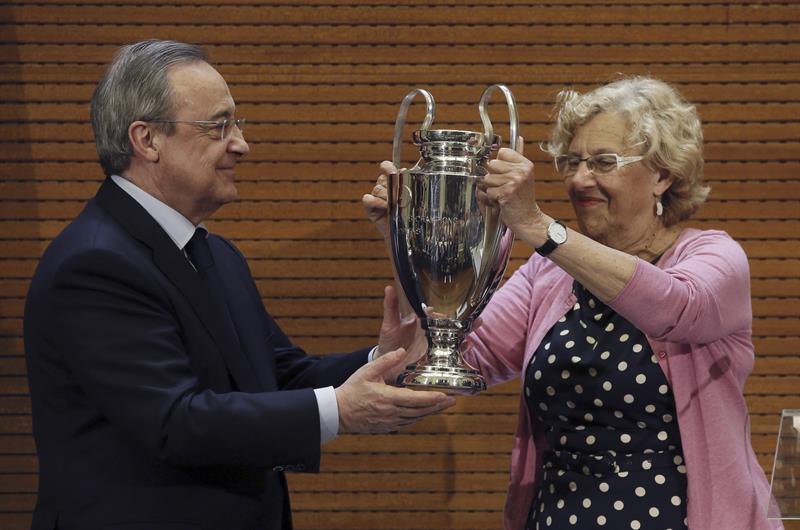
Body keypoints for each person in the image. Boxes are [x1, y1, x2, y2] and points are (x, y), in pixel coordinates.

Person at [23, 39, 454, 530]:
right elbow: (174, 421)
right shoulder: (95, 263)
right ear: (146, 140)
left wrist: (383, 359)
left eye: (237, 123)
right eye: (217, 126)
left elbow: (278, 376)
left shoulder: (216, 255)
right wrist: (340, 410)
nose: (241, 144)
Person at [365, 76, 781, 530]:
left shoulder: (714, 257)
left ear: (662, 174)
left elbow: (676, 309)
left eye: (604, 162)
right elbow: (464, 362)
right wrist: (405, 240)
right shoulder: (550, 272)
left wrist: (539, 225)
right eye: (571, 162)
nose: (580, 179)